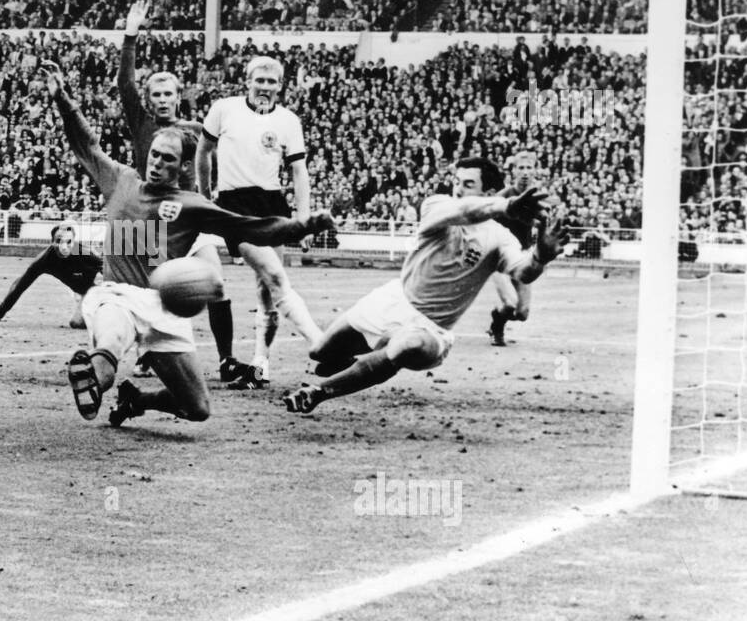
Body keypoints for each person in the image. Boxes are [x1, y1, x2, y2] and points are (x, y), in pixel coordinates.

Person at [39, 61, 336, 426]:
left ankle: (138, 400)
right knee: (111, 341)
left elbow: (255, 229)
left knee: (197, 408)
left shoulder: (193, 206)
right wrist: (62, 100)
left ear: (182, 168)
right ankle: (91, 378)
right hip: (116, 294)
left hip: (164, 305)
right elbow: (86, 144)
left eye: (167, 158)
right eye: (154, 155)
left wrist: (299, 227)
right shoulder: (121, 180)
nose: (156, 162)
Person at [282, 157, 567, 414]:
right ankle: (367, 364)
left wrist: (542, 255)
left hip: (430, 329)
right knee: (320, 353)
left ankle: (320, 392)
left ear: (489, 192)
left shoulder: (500, 237)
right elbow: (466, 210)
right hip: (392, 302)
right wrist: (504, 205)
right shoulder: (437, 205)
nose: (457, 189)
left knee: (405, 346)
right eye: (457, 182)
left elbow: (523, 272)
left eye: (468, 184)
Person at [119, 0, 242, 382]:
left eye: (167, 94)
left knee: (216, 283)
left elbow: (210, 162)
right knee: (155, 289)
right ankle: (149, 353)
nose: (161, 100)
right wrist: (130, 34)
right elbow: (125, 83)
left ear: (177, 96)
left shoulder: (193, 129)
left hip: (189, 219)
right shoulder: (141, 123)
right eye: (154, 94)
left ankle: (227, 360)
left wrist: (209, 200)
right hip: (152, 221)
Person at [196, 55, 324, 389]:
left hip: (271, 202)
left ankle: (260, 365)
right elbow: (203, 151)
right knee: (274, 275)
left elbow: (298, 171)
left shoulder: (288, 121)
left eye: (272, 82)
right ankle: (321, 343)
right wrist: (206, 192)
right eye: (259, 80)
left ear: (280, 86)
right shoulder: (224, 109)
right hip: (235, 205)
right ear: (247, 81)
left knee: (266, 289)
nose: (265, 87)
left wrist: (303, 218)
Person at [0, 224, 103, 328]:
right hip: (82, 290)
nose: (64, 247)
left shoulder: (82, 251)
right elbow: (19, 285)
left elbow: (108, 267)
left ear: (74, 241)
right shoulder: (44, 260)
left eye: (69, 242)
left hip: (98, 288)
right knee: (76, 324)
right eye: (59, 241)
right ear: (52, 242)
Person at [488, 150, 538, 346]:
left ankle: (496, 315)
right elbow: (486, 222)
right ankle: (497, 328)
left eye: (529, 168)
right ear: (513, 171)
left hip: (522, 257)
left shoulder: (537, 198)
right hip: (499, 257)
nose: (525, 172)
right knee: (509, 304)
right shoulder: (503, 197)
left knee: (522, 313)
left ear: (535, 171)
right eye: (521, 168)